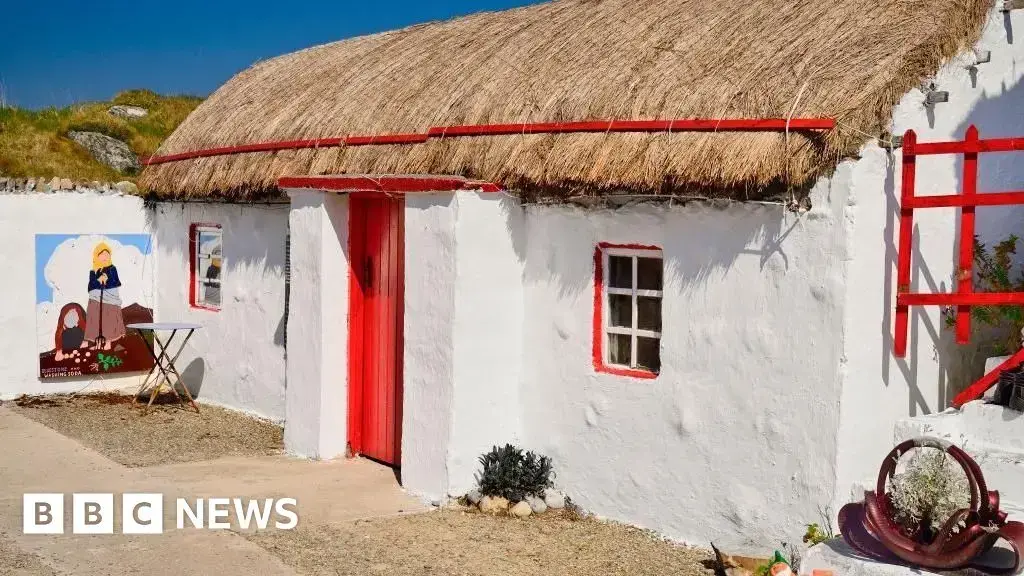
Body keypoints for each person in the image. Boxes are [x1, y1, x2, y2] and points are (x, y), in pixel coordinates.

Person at [84, 242, 126, 351]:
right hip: (95, 300)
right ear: (97, 256)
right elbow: (91, 286)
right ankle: (96, 342)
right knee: (95, 319)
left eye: (107, 254)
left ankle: (108, 342)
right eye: (102, 254)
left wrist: (107, 280)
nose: (105, 257)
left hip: (110, 300)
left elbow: (116, 282)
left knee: (108, 320)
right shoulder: (93, 271)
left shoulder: (112, 269)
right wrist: (99, 280)